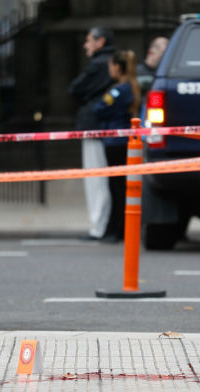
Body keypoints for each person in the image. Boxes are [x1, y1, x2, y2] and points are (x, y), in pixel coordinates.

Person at [68, 27, 115, 240]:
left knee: (96, 178)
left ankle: (99, 226)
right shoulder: (113, 61)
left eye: (89, 41)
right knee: (106, 179)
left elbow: (75, 89)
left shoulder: (98, 64)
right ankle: (106, 225)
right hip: (108, 127)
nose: (85, 45)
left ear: (100, 41)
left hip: (94, 126)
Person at [93, 50, 140, 241]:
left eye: (111, 66)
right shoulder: (132, 87)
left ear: (118, 68)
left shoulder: (118, 90)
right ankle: (119, 229)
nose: (109, 70)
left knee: (116, 187)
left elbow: (99, 108)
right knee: (120, 186)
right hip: (124, 141)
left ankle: (116, 230)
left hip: (114, 141)